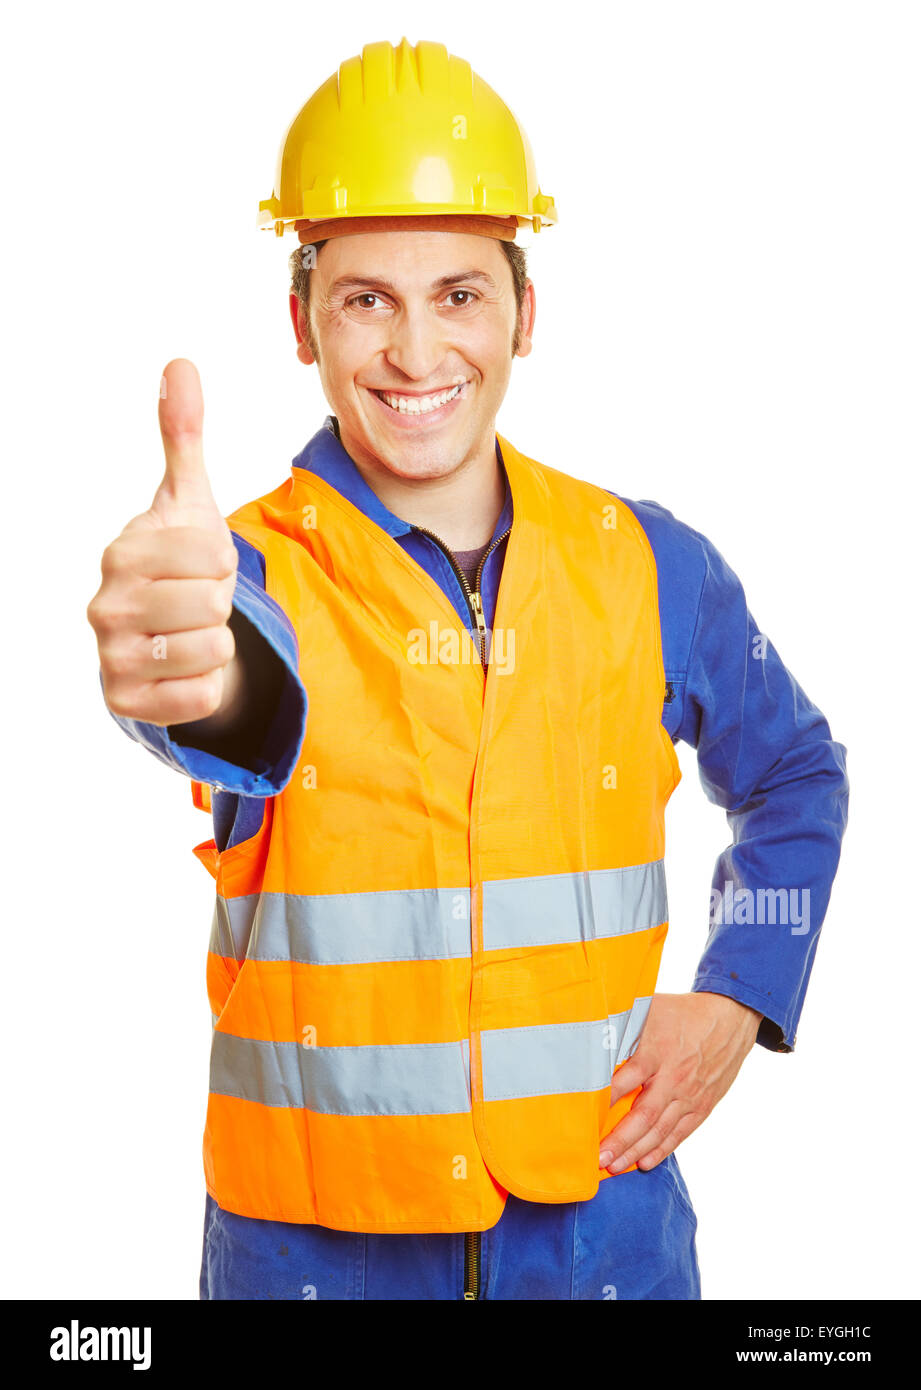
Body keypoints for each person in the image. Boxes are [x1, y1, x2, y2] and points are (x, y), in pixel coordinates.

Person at [86, 38, 849, 1301]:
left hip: (605, 1245)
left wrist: (740, 994)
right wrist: (181, 662)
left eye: (458, 294)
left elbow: (796, 772)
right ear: (301, 323)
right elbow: (231, 699)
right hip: (312, 1261)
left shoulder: (648, 563)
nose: (415, 351)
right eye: (365, 300)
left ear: (524, 314)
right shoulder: (244, 575)